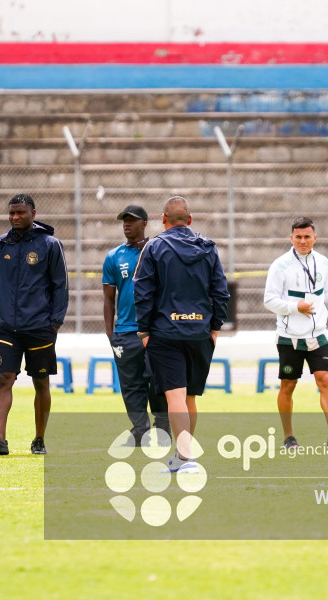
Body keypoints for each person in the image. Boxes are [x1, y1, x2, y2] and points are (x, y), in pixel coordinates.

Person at [134, 196, 229, 473]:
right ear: (189, 220)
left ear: (163, 219)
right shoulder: (208, 248)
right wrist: (214, 328)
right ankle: (181, 454)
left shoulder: (153, 247)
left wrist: (143, 330)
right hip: (199, 332)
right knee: (189, 399)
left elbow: (143, 292)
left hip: (165, 333)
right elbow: (221, 293)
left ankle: (187, 458)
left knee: (176, 397)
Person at [0, 194, 69, 456]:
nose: (15, 217)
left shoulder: (50, 245)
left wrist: (54, 323)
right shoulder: (0, 245)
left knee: (41, 382)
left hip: (40, 327)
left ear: (33, 214)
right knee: (4, 379)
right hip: (4, 326)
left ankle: (39, 439)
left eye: (21, 213)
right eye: (12, 213)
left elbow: (60, 285)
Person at [263, 217, 328, 450]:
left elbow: (327, 291)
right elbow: (269, 300)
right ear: (291, 238)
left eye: (307, 237)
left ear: (315, 238)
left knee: (325, 380)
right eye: (298, 237)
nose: (303, 241)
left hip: (318, 334)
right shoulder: (280, 265)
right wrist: (295, 307)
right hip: (289, 336)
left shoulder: (322, 261)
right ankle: (289, 437)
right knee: (288, 385)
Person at [103, 204, 170, 445]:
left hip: (154, 331)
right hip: (124, 333)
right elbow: (109, 299)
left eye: (132, 220)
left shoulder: (157, 251)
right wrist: (111, 335)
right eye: (124, 221)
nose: (127, 224)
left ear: (144, 223)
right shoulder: (113, 256)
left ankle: (162, 428)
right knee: (130, 385)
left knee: (158, 381)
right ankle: (140, 430)